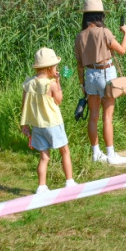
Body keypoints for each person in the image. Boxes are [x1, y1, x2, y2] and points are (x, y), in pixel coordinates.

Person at [74, 0, 126, 165]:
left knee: (93, 116)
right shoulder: (104, 32)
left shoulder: (80, 37)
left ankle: (96, 153)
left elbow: (79, 65)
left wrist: (82, 84)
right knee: (107, 116)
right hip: (105, 74)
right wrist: (125, 33)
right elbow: (122, 51)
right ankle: (111, 154)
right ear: (99, 15)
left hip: (89, 75)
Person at [20, 48, 76, 193]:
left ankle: (42, 186)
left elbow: (24, 105)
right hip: (53, 123)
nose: (57, 69)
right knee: (64, 150)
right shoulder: (50, 84)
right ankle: (69, 181)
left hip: (38, 125)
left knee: (44, 156)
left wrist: (24, 124)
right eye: (55, 66)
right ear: (50, 67)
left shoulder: (29, 84)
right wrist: (58, 82)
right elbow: (59, 100)